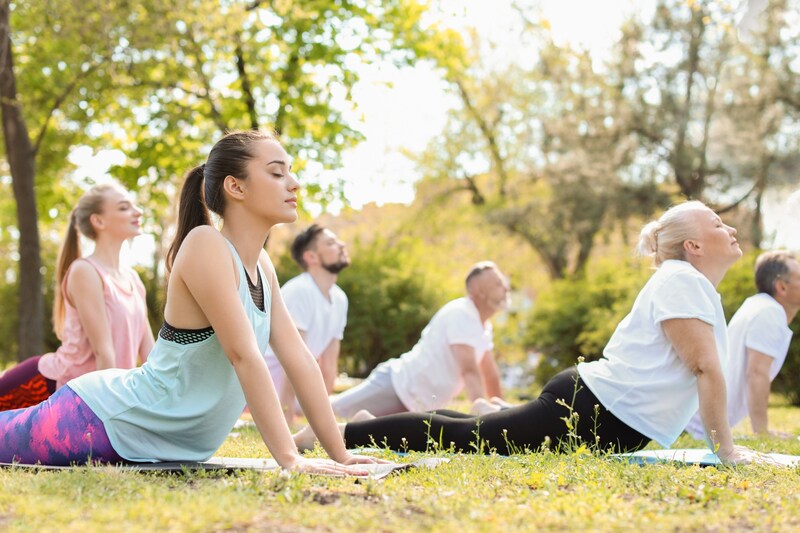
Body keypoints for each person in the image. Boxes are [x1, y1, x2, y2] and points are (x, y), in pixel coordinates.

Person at [0, 130, 376, 475]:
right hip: (101, 419)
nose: (293, 183)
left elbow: (300, 360)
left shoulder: (262, 265)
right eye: (277, 173)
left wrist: (340, 454)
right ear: (235, 187)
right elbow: (243, 355)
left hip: (153, 442)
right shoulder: (205, 245)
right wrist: (290, 460)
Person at [296, 201, 775, 464]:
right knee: (468, 441)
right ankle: (339, 432)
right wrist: (725, 452)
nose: (729, 227)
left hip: (600, 410)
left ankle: (360, 421)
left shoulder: (690, 285)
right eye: (716, 222)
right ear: (693, 245)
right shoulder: (681, 280)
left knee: (474, 430)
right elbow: (703, 366)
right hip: (592, 409)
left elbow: (699, 368)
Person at [0, 183, 153, 412]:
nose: (137, 211)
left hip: (99, 392)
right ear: (98, 221)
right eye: (124, 208)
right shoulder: (85, 271)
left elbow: (150, 355)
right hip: (49, 385)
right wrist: (109, 416)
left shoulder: (133, 280)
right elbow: (104, 353)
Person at [328, 261, 508, 419]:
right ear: (477, 291)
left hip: (416, 403)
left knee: (363, 423)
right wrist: (485, 418)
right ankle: (301, 402)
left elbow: (489, 373)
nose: (505, 288)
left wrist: (502, 413)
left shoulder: (482, 326)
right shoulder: (462, 313)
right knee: (333, 410)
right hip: (397, 387)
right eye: (498, 284)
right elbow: (469, 370)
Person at [685, 251, 799, 438]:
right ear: (782, 287)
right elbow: (756, 373)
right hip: (694, 429)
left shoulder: (758, 306)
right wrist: (762, 432)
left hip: (697, 424)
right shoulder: (769, 312)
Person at [264, 224, 349, 422]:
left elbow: (328, 365)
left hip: (294, 389)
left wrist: (321, 421)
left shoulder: (340, 298)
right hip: (260, 386)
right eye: (331, 243)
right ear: (311, 257)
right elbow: (291, 360)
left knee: (343, 407)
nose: (342, 245)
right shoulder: (300, 290)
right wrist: (286, 420)